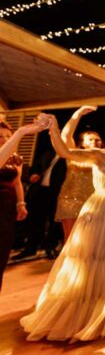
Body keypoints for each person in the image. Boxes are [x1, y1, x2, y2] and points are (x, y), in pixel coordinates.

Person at [20, 115, 105, 341]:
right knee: (90, 259)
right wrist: (53, 129)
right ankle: (85, 308)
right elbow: (65, 152)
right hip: (101, 209)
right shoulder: (98, 154)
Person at [54, 106, 103, 241]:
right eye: (90, 139)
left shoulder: (103, 158)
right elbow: (66, 136)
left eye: (97, 139)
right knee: (70, 240)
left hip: (94, 203)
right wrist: (78, 114)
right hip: (70, 201)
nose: (95, 141)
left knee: (90, 240)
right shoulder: (73, 155)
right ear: (82, 143)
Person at [0, 122, 28, 290]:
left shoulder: (16, 158)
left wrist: (20, 204)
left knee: (2, 252)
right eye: (0, 137)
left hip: (7, 208)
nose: (4, 139)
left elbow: (17, 183)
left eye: (8, 136)